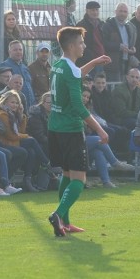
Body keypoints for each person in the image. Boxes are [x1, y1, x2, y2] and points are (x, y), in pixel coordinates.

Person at [46, 26, 112, 237]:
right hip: (71, 130)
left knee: (67, 174)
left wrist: (93, 62)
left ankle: (65, 223)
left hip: (55, 128)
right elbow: (78, 106)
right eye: (82, 42)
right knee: (79, 180)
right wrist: (100, 130)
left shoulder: (58, 65)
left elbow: (74, 76)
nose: (84, 46)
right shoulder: (70, 69)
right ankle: (58, 214)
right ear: (73, 45)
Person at [0, 90, 49, 192]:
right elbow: (11, 135)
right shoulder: (2, 114)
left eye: (17, 103)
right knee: (31, 141)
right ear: (5, 102)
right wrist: (26, 136)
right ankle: (46, 164)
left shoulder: (13, 114)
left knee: (31, 152)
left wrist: (22, 115)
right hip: (5, 143)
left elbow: (21, 131)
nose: (15, 105)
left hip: (14, 142)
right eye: (12, 102)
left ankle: (27, 180)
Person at [81, 88, 133, 187]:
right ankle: (115, 162)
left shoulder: (87, 110)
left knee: (98, 152)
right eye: (84, 96)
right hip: (73, 141)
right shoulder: (74, 109)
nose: (86, 99)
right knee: (98, 139)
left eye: (88, 97)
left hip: (83, 140)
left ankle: (106, 182)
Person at [102, 2, 137, 81]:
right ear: (115, 12)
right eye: (120, 11)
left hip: (126, 64)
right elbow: (104, 43)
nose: (122, 13)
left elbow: (129, 43)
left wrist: (132, 49)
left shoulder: (128, 27)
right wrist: (119, 47)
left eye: (125, 12)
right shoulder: (108, 26)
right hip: (112, 65)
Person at [0, 40, 36, 108]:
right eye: (15, 50)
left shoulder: (25, 67)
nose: (18, 52)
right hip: (14, 107)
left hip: (30, 107)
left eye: (20, 50)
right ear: (9, 52)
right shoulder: (4, 66)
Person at [76, 1, 105, 68]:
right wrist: (91, 56)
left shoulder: (101, 24)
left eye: (97, 10)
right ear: (87, 11)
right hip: (86, 62)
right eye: (92, 10)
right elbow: (78, 44)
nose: (95, 12)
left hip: (100, 60)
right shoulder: (81, 25)